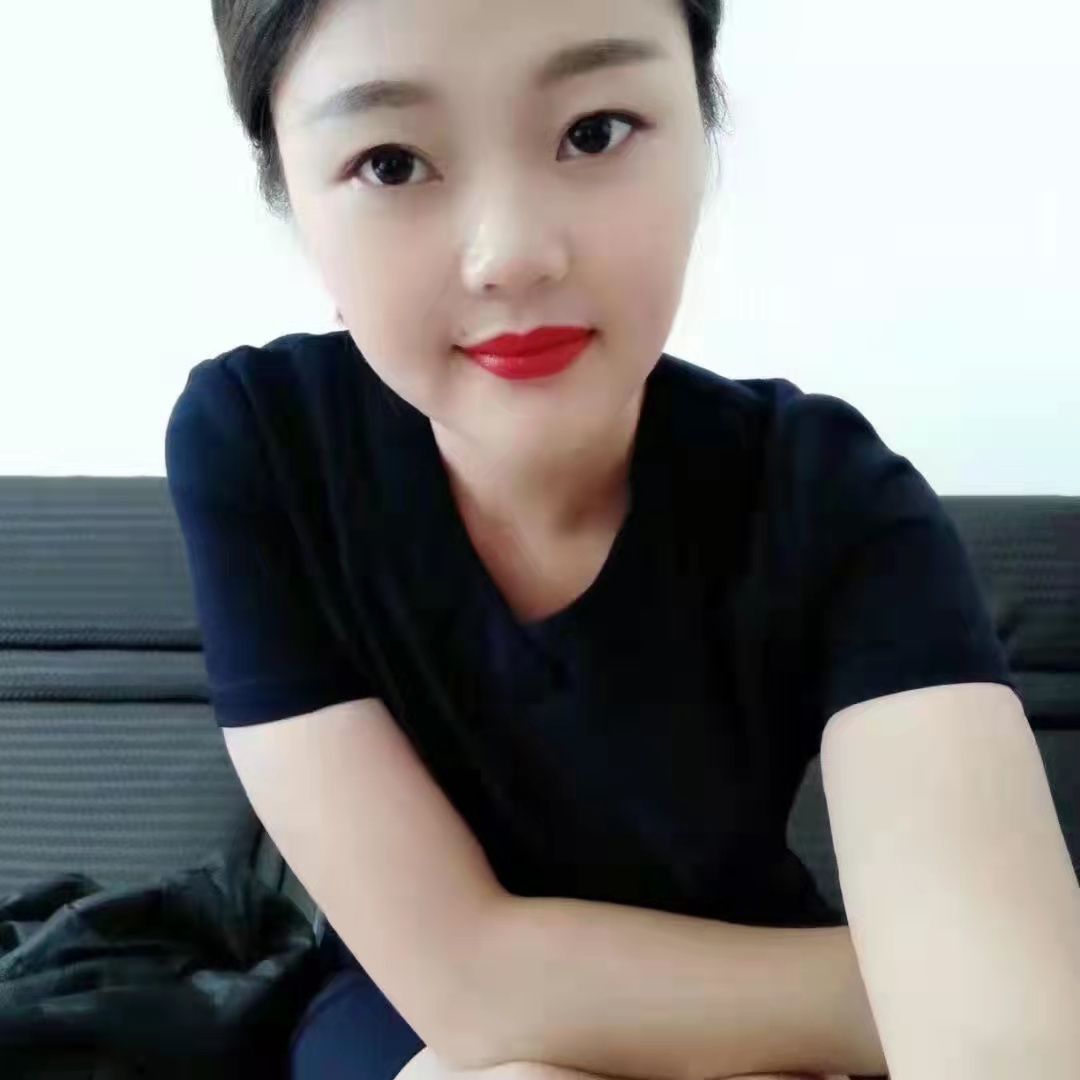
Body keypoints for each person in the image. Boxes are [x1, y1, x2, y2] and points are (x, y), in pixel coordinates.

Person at [166, 1, 1080, 1078]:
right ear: (288, 188)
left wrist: (972, 985)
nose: (512, 255)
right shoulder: (264, 445)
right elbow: (468, 984)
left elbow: (1007, 1031)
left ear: (703, 123)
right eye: (392, 163)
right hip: (408, 1015)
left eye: (593, 132)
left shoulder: (828, 492)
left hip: (762, 1016)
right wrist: (913, 981)